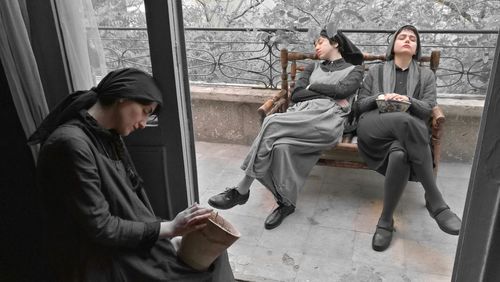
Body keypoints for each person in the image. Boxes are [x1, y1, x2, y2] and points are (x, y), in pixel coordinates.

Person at [28, 68, 234, 281]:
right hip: (96, 257)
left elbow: (130, 203)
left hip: (121, 242)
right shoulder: (69, 145)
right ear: (123, 97)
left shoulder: (108, 135)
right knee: (199, 275)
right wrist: (170, 229)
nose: (144, 124)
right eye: (145, 110)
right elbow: (101, 228)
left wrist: (167, 236)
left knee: (214, 254)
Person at [208, 29, 364, 229]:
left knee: (272, 122)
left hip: (328, 122)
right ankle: (286, 202)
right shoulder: (311, 67)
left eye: (320, 42)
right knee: (280, 147)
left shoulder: (355, 70)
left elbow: (343, 90)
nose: (315, 47)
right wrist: (327, 94)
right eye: (314, 44)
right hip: (300, 116)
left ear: (335, 43)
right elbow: (297, 94)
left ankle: (242, 190)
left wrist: (312, 88)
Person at [356, 25, 462, 252]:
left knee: (400, 155)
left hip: (406, 137)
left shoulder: (426, 75)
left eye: (412, 39)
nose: (407, 40)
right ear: (392, 45)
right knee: (406, 122)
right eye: (402, 37)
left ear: (416, 48)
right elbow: (360, 105)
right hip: (373, 127)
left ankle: (385, 221)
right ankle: (436, 201)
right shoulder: (376, 71)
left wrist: (407, 100)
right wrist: (380, 97)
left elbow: (427, 109)